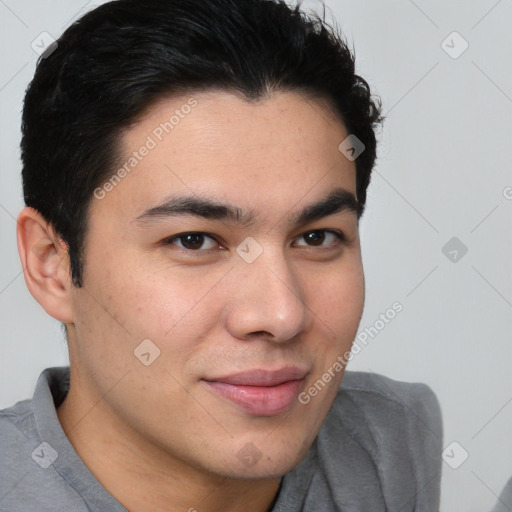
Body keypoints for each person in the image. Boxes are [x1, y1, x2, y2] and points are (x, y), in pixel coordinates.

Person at [0, 1, 444, 510]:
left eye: (316, 237)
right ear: (52, 265)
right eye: (195, 240)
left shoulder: (391, 441)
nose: (282, 315)